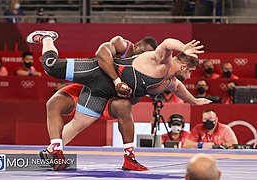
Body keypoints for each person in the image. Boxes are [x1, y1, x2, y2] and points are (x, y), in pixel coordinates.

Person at [27, 30, 211, 170]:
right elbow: (167, 43)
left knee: (78, 124)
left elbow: (181, 91)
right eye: (191, 71)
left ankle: (56, 151)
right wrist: (183, 47)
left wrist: (195, 101)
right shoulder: (162, 61)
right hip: (98, 74)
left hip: (101, 94)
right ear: (185, 65)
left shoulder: (169, 81)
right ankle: (47, 38)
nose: (190, 75)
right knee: (50, 67)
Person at [41, 35, 158, 171]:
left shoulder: (145, 71)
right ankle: (52, 152)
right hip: (92, 81)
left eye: (149, 56)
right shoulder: (122, 45)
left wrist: (130, 92)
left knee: (120, 107)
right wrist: (117, 81)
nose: (145, 58)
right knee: (54, 101)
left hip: (106, 98)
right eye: (144, 53)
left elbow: (133, 100)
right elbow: (101, 53)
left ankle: (129, 157)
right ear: (137, 46)